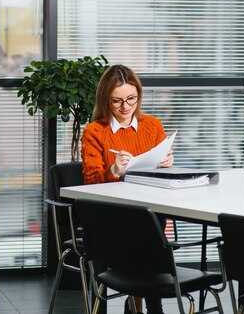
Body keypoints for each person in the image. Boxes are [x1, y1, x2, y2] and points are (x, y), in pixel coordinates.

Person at [81, 64, 173, 314]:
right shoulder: (94, 132)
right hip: (111, 217)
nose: (126, 107)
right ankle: (150, 305)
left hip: (147, 212)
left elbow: (158, 181)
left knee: (147, 225)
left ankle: (140, 305)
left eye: (131, 98)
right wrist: (113, 171)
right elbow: (89, 183)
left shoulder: (153, 126)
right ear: (105, 100)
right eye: (117, 101)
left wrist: (166, 164)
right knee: (143, 230)